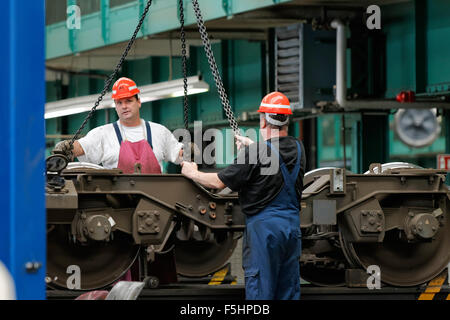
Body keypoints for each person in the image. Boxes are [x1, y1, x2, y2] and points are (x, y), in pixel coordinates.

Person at [181, 92, 305, 300]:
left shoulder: (256, 153)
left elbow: (218, 182)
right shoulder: (298, 148)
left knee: (261, 291)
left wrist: (192, 172)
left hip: (264, 231)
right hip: (292, 228)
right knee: (288, 289)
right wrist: (252, 146)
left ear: (263, 120)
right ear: (286, 120)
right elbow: (275, 159)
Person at [53, 77, 183, 173]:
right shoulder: (103, 134)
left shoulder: (159, 132)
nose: (124, 106)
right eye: (119, 103)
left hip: (157, 200)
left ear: (139, 102)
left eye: (128, 101)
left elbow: (179, 154)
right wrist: (68, 146)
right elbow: (82, 147)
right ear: (115, 106)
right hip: (117, 202)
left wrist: (191, 151)